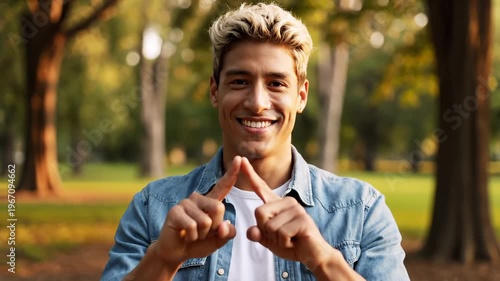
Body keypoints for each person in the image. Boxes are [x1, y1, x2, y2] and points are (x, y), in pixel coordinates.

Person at [101, 3, 410, 281]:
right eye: (239, 82)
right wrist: (163, 259)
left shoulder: (361, 210)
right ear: (214, 91)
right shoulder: (152, 206)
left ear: (301, 96)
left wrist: (324, 260)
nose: (258, 102)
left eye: (276, 83)